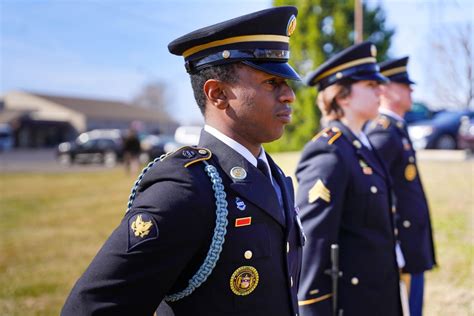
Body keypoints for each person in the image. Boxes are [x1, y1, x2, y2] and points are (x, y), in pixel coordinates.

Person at [61, 6, 305, 316]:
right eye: (272, 83)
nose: (289, 96)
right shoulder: (188, 188)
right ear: (217, 94)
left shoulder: (273, 175)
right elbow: (90, 308)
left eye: (287, 83)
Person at [296, 42, 403, 316]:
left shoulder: (361, 144)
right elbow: (314, 244)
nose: (381, 90)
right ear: (342, 96)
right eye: (370, 85)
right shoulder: (329, 152)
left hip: (377, 296)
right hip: (352, 304)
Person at [366, 56, 436, 316]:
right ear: (385, 89)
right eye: (404, 85)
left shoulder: (396, 128)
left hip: (411, 244)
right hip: (400, 245)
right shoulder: (383, 132)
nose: (412, 90)